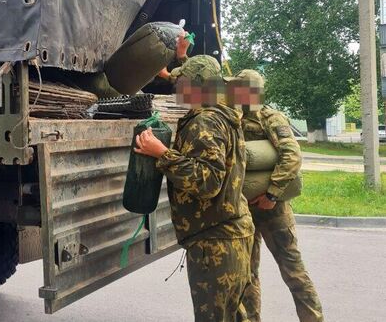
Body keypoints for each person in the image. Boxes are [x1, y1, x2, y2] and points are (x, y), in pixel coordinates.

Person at [135, 55, 254, 322]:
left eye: (184, 83)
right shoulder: (224, 114)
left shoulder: (205, 121)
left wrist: (163, 154)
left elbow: (208, 181)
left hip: (216, 245)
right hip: (231, 235)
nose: (179, 89)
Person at [232, 69, 324, 322]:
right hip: (244, 210)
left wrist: (271, 195)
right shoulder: (232, 118)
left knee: (293, 271)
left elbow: (292, 155)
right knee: (246, 274)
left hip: (274, 210)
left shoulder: (270, 118)